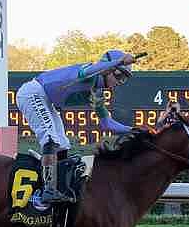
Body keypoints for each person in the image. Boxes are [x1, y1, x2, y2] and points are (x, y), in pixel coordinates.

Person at [17, 49, 136, 203]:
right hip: (33, 93)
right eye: (120, 76)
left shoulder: (97, 93)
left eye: (124, 79)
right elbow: (91, 70)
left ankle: (59, 187)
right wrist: (119, 61)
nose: (120, 82)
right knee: (51, 138)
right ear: (109, 70)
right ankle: (49, 190)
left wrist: (133, 130)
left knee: (63, 145)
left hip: (47, 101)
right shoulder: (89, 72)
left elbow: (107, 124)